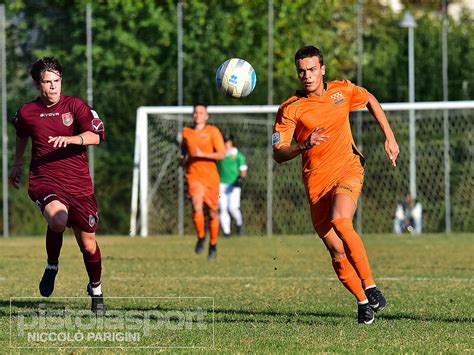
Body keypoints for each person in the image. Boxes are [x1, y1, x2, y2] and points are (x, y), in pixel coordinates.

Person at [272, 46, 399, 324]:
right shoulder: (290, 109)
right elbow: (278, 153)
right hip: (316, 183)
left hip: (348, 169)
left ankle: (371, 287)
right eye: (301, 71)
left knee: (341, 221)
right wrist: (303, 145)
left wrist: (389, 136)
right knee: (336, 250)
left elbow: (370, 99)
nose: (307, 75)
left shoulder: (341, 91)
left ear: (323, 69)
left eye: (312, 69)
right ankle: (363, 301)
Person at [9, 57, 106, 314]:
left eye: (56, 81)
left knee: (88, 245)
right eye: (47, 82)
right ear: (37, 84)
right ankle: (52, 265)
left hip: (79, 186)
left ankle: (96, 289)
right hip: (45, 180)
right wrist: (17, 163)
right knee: (58, 219)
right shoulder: (27, 112)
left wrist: (71, 139)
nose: (53, 87)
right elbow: (21, 134)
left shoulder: (76, 106)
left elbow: (95, 135)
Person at [180, 103, 225, 260]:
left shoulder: (213, 132)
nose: (198, 115)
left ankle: (213, 244)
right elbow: (183, 152)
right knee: (196, 205)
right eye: (195, 112)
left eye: (201, 112)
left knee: (213, 212)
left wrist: (202, 154)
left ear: (206, 116)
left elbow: (221, 154)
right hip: (193, 176)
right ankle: (201, 236)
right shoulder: (186, 132)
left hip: (211, 178)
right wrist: (182, 159)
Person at [217, 134, 248, 237]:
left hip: (234, 185)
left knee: (232, 208)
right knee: (222, 207)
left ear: (232, 142)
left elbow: (243, 170)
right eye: (224, 142)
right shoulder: (220, 155)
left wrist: (240, 179)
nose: (226, 144)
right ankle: (226, 232)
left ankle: (239, 223)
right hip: (221, 184)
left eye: (228, 142)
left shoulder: (238, 155)